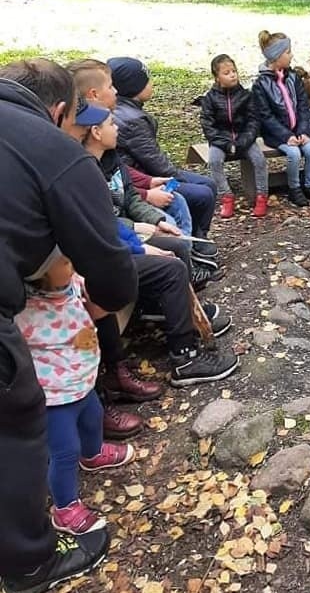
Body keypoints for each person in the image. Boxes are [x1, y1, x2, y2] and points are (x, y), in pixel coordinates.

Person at [0, 58, 137, 593]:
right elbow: (108, 265)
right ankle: (30, 564)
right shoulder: (51, 149)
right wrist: (100, 303)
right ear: (60, 110)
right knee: (19, 420)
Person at [76, 103, 237, 383]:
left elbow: (131, 199)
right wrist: (139, 237)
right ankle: (184, 356)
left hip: (121, 236)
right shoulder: (84, 171)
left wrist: (156, 222)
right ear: (95, 132)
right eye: (112, 125)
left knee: (176, 243)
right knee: (170, 267)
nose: (117, 128)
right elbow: (99, 222)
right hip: (107, 249)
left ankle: (181, 311)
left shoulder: (113, 161)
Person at [15, 253, 134, 536]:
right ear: (39, 275)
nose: (72, 264)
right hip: (54, 397)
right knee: (64, 451)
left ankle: (92, 454)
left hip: (82, 380)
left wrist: (99, 282)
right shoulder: (25, 308)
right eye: (66, 262)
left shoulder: (73, 284)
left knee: (94, 418)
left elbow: (99, 312)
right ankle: (65, 507)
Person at [67, 60, 197, 241]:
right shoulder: (82, 163)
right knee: (172, 233)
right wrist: (140, 221)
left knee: (176, 208)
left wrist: (149, 184)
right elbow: (102, 216)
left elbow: (126, 186)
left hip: (129, 208)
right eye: (111, 86)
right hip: (118, 227)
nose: (116, 91)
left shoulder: (109, 152)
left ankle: (190, 249)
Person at [107, 56, 218, 238]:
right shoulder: (131, 120)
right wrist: (177, 178)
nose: (152, 84)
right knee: (202, 193)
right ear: (134, 87)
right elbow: (156, 163)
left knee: (208, 184)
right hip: (145, 179)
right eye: (147, 80)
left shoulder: (128, 111)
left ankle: (198, 235)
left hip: (144, 176)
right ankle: (195, 240)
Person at [252, 31, 310, 208]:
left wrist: (303, 130)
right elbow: (266, 117)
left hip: (297, 131)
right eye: (288, 52)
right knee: (294, 153)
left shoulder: (293, 78)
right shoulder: (261, 84)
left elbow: (303, 106)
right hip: (276, 135)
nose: (291, 55)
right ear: (276, 56)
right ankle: (294, 189)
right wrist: (286, 136)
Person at [200, 54, 269, 219]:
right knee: (214, 161)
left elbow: (253, 122)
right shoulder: (210, 98)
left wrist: (243, 142)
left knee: (259, 160)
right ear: (217, 78)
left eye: (234, 71)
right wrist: (225, 144)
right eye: (226, 73)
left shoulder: (246, 95)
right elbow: (208, 126)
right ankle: (226, 196)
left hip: (244, 138)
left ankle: (262, 196)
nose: (232, 75)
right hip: (221, 140)